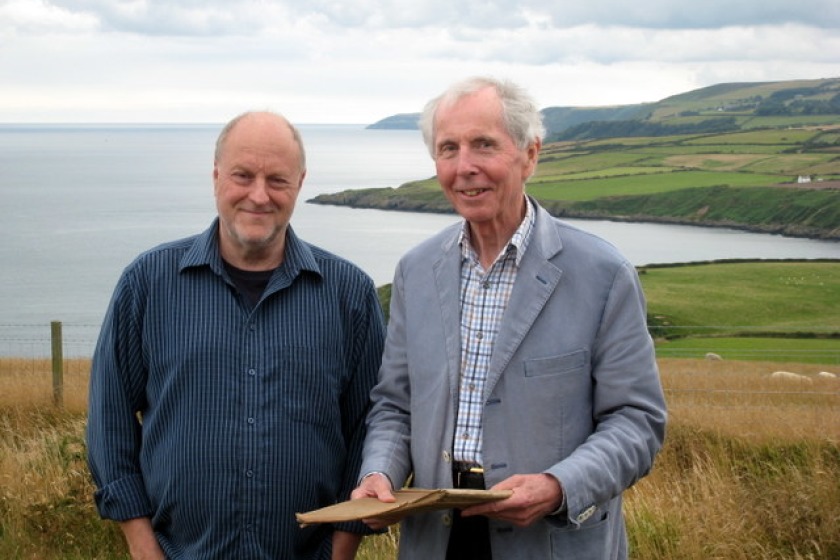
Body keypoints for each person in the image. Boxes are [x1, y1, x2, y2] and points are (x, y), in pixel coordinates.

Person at [351, 77, 667, 559]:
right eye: (448, 148)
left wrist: (558, 485)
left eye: (484, 145)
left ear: (530, 154)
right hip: (437, 539)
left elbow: (637, 421)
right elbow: (395, 405)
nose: (464, 167)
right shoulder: (416, 271)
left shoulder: (604, 274)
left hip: (551, 541)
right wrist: (379, 473)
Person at [87, 111, 386, 560]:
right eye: (242, 176)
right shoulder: (147, 284)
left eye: (277, 180)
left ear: (300, 183)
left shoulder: (350, 295)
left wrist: (341, 551)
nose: (258, 195)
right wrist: (144, 550)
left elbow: (368, 430)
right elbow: (109, 425)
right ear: (215, 177)